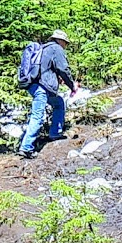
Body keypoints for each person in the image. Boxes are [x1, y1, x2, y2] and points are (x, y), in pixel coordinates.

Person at [18, 30, 79, 160]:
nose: (65, 46)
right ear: (60, 40)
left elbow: (50, 69)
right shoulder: (56, 48)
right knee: (37, 116)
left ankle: (55, 133)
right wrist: (72, 85)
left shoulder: (43, 48)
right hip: (42, 87)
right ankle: (26, 148)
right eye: (65, 43)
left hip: (34, 85)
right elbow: (63, 69)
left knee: (58, 103)